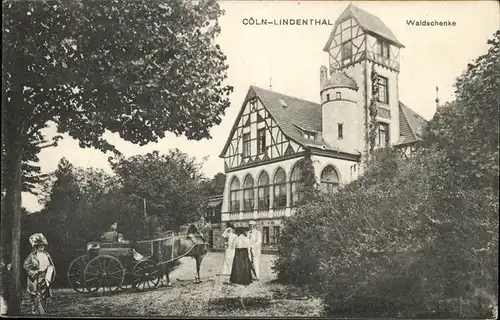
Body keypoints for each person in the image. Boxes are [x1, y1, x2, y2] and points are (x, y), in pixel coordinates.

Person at [23, 233, 56, 315]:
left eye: (43, 246)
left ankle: (43, 310)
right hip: (35, 278)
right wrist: (33, 273)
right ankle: (37, 312)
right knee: (36, 295)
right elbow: (26, 266)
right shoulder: (32, 256)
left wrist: (49, 273)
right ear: (36, 247)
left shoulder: (46, 254)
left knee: (44, 294)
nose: (42, 247)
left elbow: (51, 265)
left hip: (44, 277)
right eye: (39, 246)